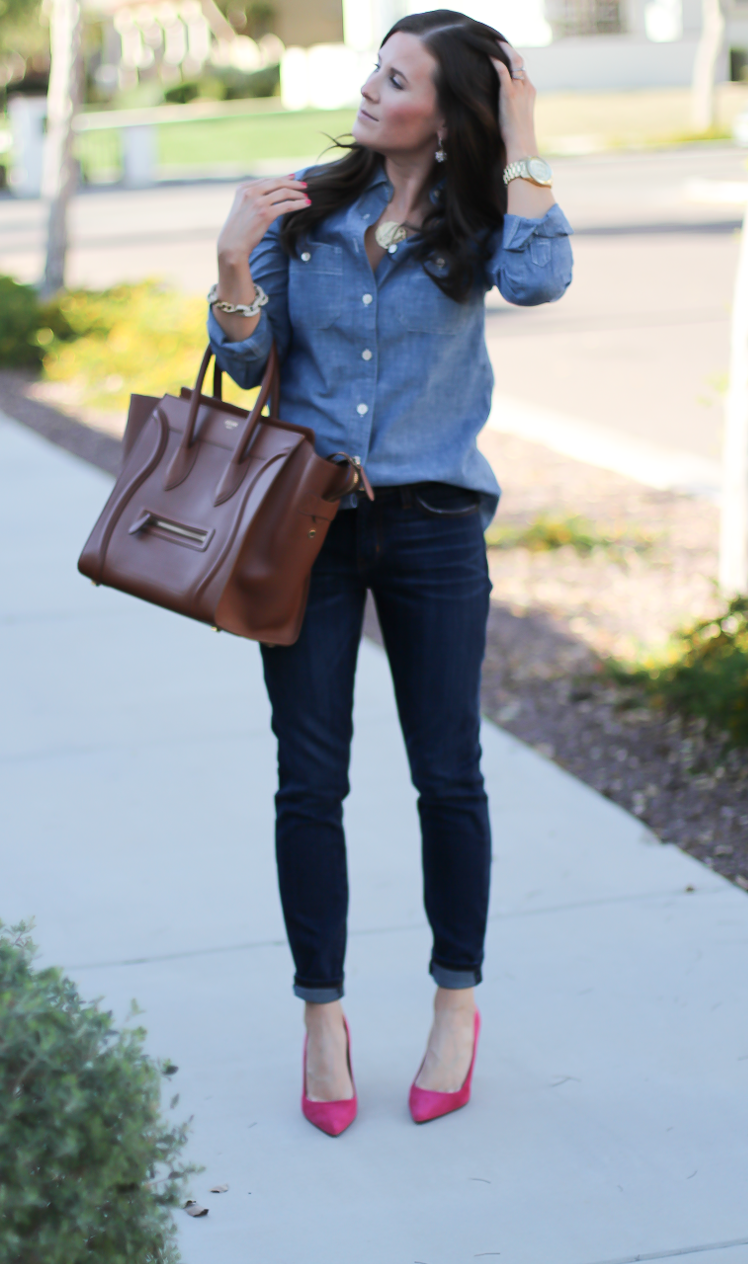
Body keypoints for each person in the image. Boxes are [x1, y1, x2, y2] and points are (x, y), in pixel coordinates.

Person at [206, 8, 573, 1135]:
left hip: (434, 527)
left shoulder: (482, 217)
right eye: (376, 67)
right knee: (308, 781)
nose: (372, 89)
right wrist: (232, 257)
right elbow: (245, 356)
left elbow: (543, 277)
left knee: (446, 775)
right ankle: (324, 1017)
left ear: (448, 112)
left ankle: (454, 1005)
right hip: (307, 526)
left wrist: (524, 138)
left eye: (399, 76)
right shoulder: (307, 213)